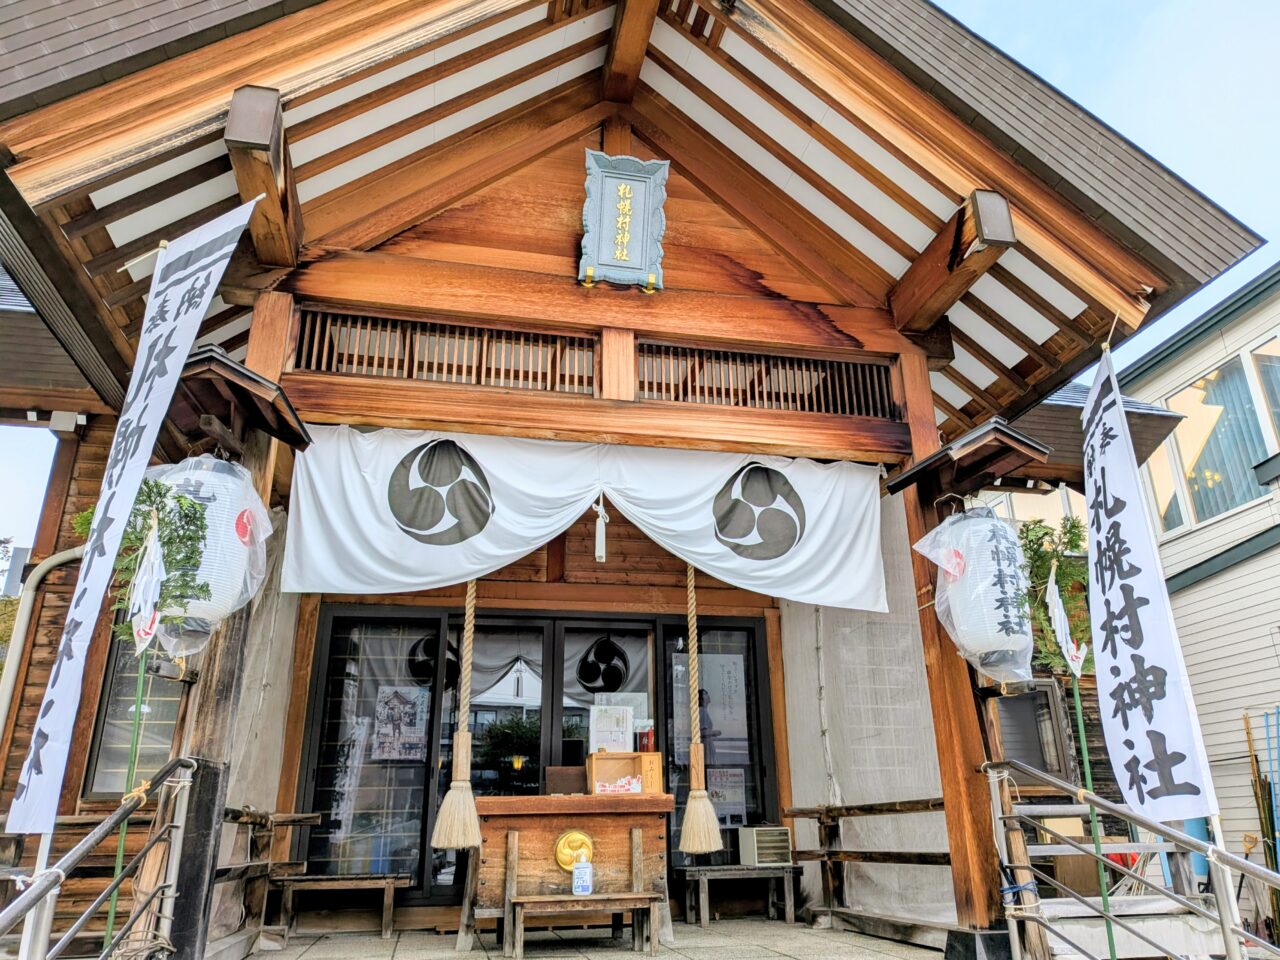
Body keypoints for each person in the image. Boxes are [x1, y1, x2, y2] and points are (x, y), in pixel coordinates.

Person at [698, 688, 722, 765]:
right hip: (706, 744)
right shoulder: (702, 711)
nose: (708, 695)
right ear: (701, 699)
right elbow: (702, 732)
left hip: (707, 744)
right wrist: (715, 732)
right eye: (705, 694)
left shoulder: (703, 711)